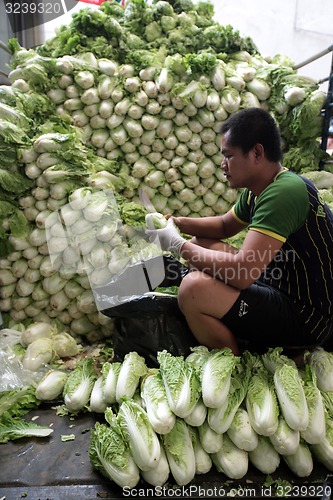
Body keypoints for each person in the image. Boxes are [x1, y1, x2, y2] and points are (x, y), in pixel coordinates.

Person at [146, 107, 333, 356]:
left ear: (256, 152)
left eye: (229, 156)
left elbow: (242, 273)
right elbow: (225, 225)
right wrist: (177, 223)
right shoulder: (264, 187)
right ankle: (235, 324)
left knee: (192, 289)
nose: (223, 165)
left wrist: (178, 246)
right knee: (203, 243)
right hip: (280, 286)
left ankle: (233, 361)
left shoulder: (283, 193)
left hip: (308, 317)